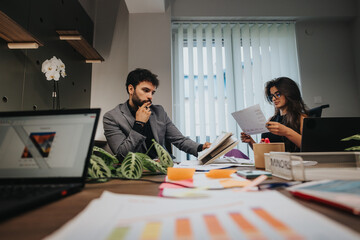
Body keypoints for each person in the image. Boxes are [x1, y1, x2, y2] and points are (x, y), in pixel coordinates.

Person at [103, 68, 211, 161]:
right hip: (137, 172)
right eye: (146, 90)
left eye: (152, 92)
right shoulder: (112, 117)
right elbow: (121, 155)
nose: (150, 96)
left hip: (163, 168)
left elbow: (179, 140)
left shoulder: (159, 111)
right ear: (131, 89)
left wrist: (201, 148)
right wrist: (139, 124)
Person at [241, 77, 308, 152]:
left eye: (278, 94)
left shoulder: (302, 118)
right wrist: (250, 141)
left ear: (289, 93)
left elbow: (308, 147)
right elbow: (263, 153)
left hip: (294, 162)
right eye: (272, 96)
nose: (273, 99)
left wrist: (286, 131)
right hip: (273, 162)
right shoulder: (271, 120)